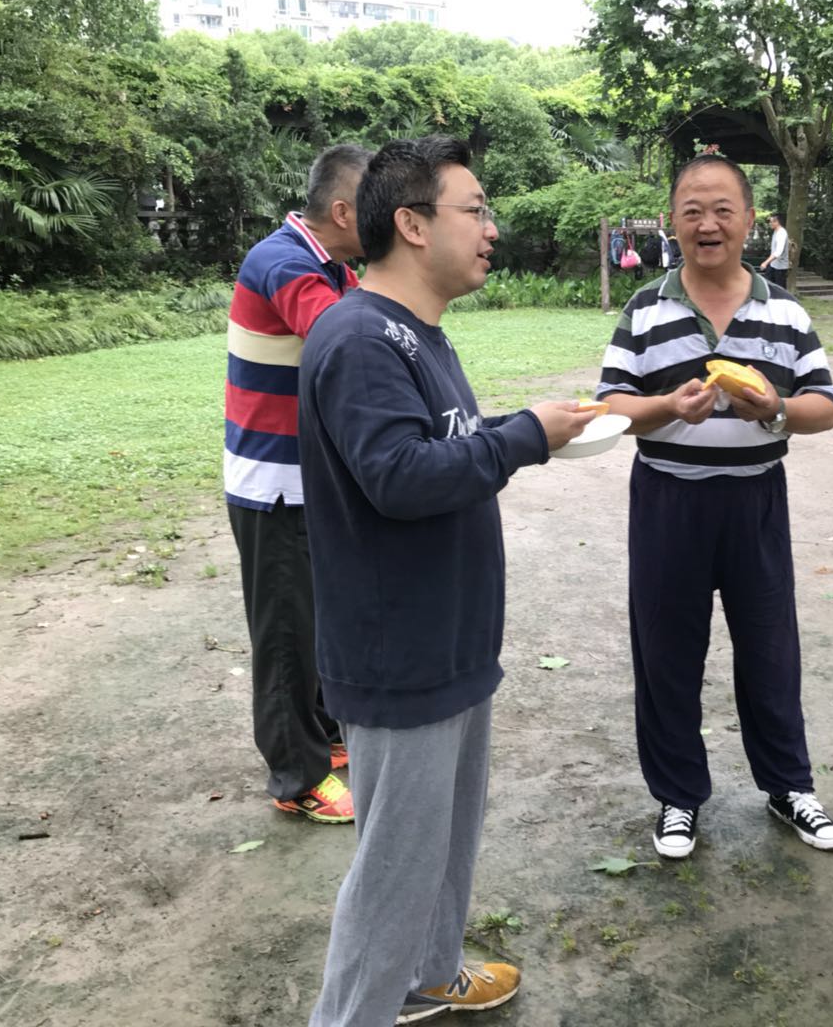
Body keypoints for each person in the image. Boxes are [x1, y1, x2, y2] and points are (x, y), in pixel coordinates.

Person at [300, 136, 594, 1025]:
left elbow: (444, 445)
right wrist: (525, 437)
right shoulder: (359, 336)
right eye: (477, 210)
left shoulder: (417, 334)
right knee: (393, 868)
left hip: (449, 641)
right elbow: (399, 475)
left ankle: (428, 974)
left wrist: (530, 426)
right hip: (399, 656)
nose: (491, 228)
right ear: (413, 224)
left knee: (443, 842)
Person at [595, 153, 833, 861]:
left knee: (770, 648)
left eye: (723, 210)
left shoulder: (784, 311)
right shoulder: (645, 308)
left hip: (755, 499)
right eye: (693, 211)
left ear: (749, 220)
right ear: (672, 222)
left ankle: (788, 785)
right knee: (667, 651)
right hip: (667, 500)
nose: (708, 224)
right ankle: (678, 796)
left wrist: (775, 409)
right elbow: (611, 404)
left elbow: (825, 405)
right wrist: (666, 408)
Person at [224, 143, 372, 825]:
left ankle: (323, 735)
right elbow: (341, 336)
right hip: (275, 485)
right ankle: (297, 775)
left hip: (309, 478)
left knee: (317, 617)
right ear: (342, 211)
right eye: (377, 207)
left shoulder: (332, 267)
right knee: (286, 632)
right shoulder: (282, 262)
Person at [760, 213, 790, 286]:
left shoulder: (781, 233)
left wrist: (765, 263)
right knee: (768, 285)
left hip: (780, 267)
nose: (770, 223)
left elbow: (778, 252)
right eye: (770, 221)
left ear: (778, 222)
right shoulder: (776, 231)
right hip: (773, 265)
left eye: (772, 221)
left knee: (779, 289)